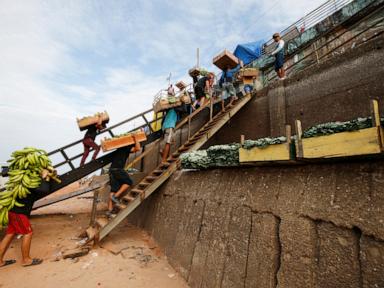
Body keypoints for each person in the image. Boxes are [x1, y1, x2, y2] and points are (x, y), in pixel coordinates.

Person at [0, 169, 51, 267]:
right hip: (19, 213)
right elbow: (44, 190)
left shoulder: (23, 178)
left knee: (10, 234)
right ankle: (26, 260)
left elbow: (5, 172)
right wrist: (44, 177)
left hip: (13, 211)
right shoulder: (29, 181)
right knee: (28, 233)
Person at [107, 138, 141, 216]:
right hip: (118, 169)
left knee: (113, 189)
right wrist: (136, 138)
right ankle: (115, 197)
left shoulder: (119, 148)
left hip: (111, 170)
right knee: (128, 182)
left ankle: (110, 210)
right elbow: (138, 148)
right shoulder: (127, 147)